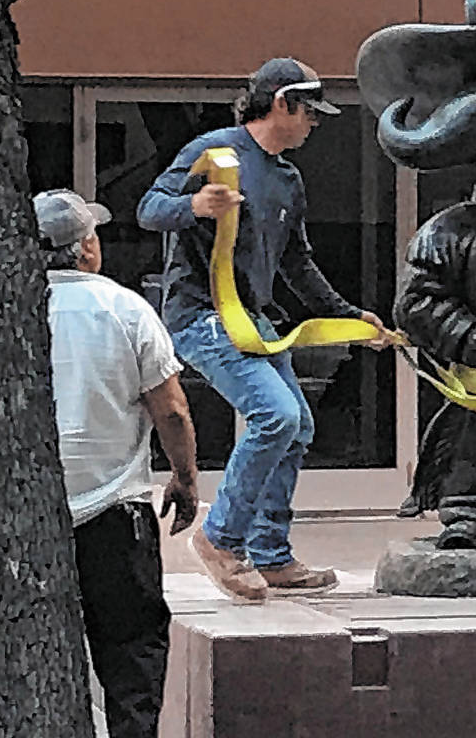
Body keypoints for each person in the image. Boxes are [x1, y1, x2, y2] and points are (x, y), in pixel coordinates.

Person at [137, 58, 391, 602]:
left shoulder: (286, 179)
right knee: (274, 415)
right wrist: (194, 204)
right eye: (309, 114)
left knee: (296, 424)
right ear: (282, 104)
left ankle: (271, 554)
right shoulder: (217, 153)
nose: (314, 125)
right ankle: (221, 538)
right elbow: (149, 209)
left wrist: (348, 315)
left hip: (253, 320)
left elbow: (297, 264)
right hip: (202, 316)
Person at [35, 188, 199, 737]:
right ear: (84, 248)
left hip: (29, 519)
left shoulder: (12, 311)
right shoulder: (124, 306)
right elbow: (171, 409)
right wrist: (184, 478)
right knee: (132, 651)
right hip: (112, 513)